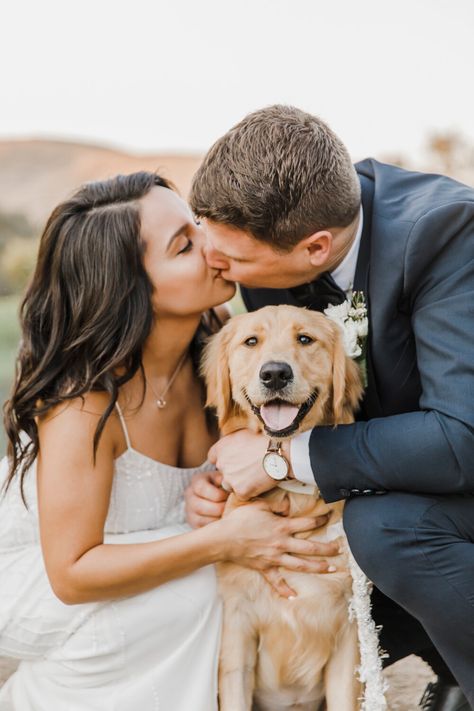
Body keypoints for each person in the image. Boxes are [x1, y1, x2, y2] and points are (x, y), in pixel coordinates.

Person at [0, 171, 338, 711]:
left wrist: (213, 489)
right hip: (58, 577)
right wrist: (224, 540)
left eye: (197, 225)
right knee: (211, 586)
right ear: (130, 288)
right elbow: (71, 573)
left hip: (171, 543)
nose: (214, 243)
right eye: (185, 245)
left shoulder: (223, 339)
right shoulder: (83, 404)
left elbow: (249, 448)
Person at [185, 105, 474, 711]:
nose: (220, 269)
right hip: (390, 468)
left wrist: (277, 460)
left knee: (383, 528)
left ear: (316, 247)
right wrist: (219, 480)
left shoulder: (448, 233)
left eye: (232, 263)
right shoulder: (277, 248)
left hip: (458, 469)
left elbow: (461, 438)